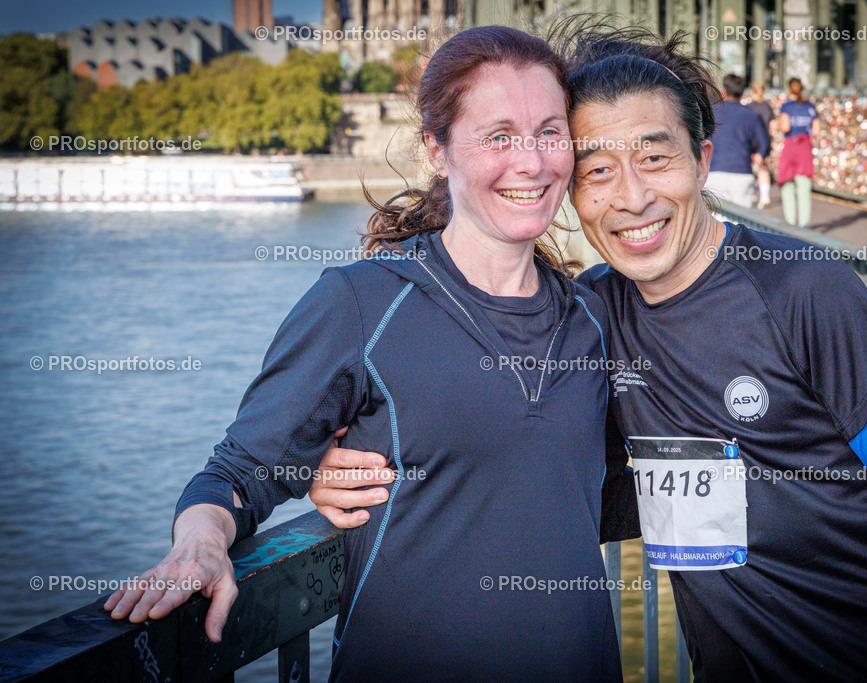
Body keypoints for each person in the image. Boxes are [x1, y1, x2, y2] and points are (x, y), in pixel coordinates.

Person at [323, 24, 867, 682]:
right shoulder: (589, 316)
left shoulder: (804, 288)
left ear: (704, 161)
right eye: (598, 170)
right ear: (570, 189)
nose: (631, 197)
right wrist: (357, 463)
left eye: (655, 159)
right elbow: (514, 446)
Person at [104, 26, 626, 680]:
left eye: (550, 133)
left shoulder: (593, 318)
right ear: (437, 150)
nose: (531, 161)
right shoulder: (361, 304)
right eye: (498, 136)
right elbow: (239, 472)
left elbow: (603, 481)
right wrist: (201, 543)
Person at [704, 74, 769, 209]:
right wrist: (760, 156)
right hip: (742, 173)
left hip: (715, 172)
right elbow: (764, 143)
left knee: (717, 223)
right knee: (742, 223)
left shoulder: (711, 112)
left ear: (723, 91)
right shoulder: (752, 115)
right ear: (742, 92)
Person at [778, 77, 820, 228]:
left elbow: (785, 128)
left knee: (787, 182)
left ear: (789, 89)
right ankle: (804, 222)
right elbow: (816, 131)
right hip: (805, 147)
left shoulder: (786, 107)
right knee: (804, 184)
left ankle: (790, 220)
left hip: (790, 145)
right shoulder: (810, 107)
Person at [746, 82, 775, 209]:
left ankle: (751, 193)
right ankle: (765, 197)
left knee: (749, 168)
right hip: (764, 140)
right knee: (763, 168)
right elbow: (773, 126)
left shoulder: (748, 107)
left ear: (752, 91)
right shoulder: (767, 107)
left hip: (750, 140)